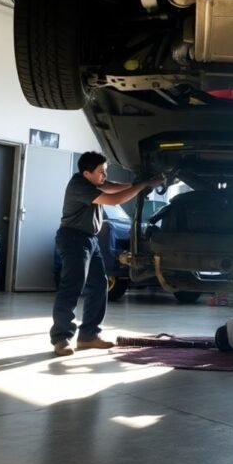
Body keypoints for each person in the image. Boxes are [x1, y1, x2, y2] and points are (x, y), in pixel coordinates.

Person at [51, 151, 163, 357]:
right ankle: (61, 338)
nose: (104, 175)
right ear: (86, 173)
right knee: (72, 287)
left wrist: (140, 184)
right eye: (101, 171)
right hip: (73, 239)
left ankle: (88, 336)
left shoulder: (92, 182)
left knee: (100, 284)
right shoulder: (79, 186)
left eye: (105, 171)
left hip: (89, 240)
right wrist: (140, 187)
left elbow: (110, 185)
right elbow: (113, 199)